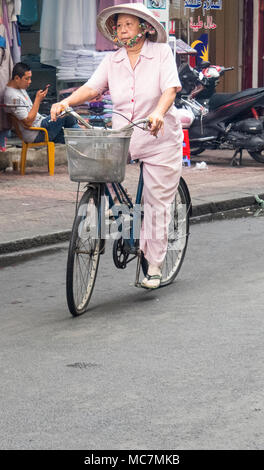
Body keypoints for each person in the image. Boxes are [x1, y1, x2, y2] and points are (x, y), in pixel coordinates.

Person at [51, 2, 183, 290]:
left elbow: (169, 89)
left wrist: (159, 112)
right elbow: (92, 87)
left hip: (159, 137)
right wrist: (66, 102)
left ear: (143, 28)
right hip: (125, 136)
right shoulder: (113, 61)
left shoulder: (160, 53)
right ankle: (123, 219)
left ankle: (155, 264)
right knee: (99, 172)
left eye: (128, 24)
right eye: (118, 25)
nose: (123, 30)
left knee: (156, 201)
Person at [4, 62, 79, 144]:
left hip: (41, 125)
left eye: (30, 78)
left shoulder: (19, 88)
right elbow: (28, 122)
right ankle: (81, 131)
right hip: (38, 133)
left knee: (74, 138)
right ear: (17, 78)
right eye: (27, 79)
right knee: (67, 111)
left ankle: (81, 134)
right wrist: (37, 100)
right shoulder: (13, 96)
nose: (30, 81)